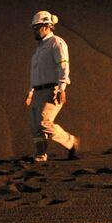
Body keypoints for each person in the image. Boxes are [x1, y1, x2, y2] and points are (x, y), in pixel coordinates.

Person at [24, 11, 80, 162]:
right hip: (38, 91)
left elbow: (63, 65)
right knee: (35, 126)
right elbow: (35, 72)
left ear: (47, 26)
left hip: (52, 90)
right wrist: (30, 92)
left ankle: (70, 141)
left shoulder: (56, 42)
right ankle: (40, 156)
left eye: (37, 27)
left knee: (44, 123)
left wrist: (62, 88)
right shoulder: (39, 49)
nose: (35, 31)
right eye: (34, 28)